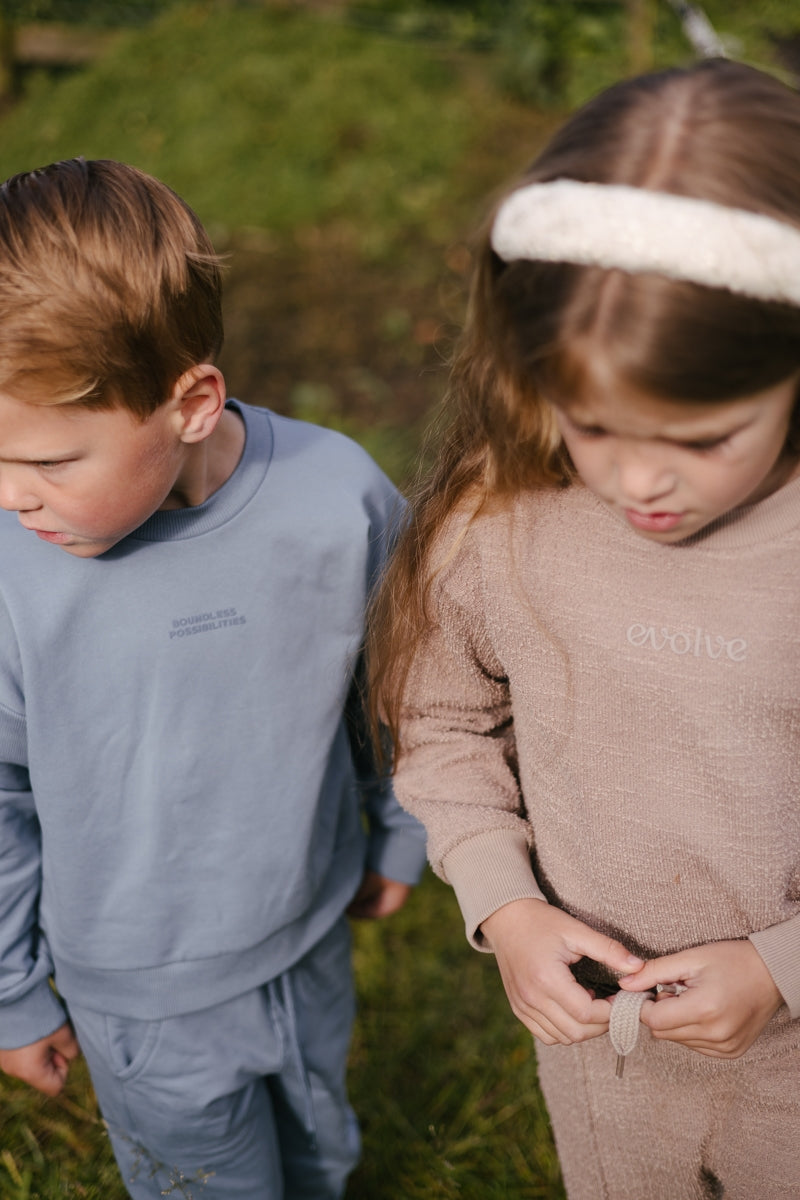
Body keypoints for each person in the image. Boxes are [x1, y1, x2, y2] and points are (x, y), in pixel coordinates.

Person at [368, 58, 800, 1199]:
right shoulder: (500, 519)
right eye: (593, 423)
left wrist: (781, 967)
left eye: (706, 438)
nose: (640, 480)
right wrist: (502, 903)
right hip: (602, 1072)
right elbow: (439, 717)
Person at [0, 157, 426, 1200]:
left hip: (311, 921)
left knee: (320, 1151)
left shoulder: (334, 501)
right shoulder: (11, 576)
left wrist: (398, 831)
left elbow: (402, 689)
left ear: (191, 401)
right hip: (143, 996)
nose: (15, 495)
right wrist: (13, 995)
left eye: (53, 462)